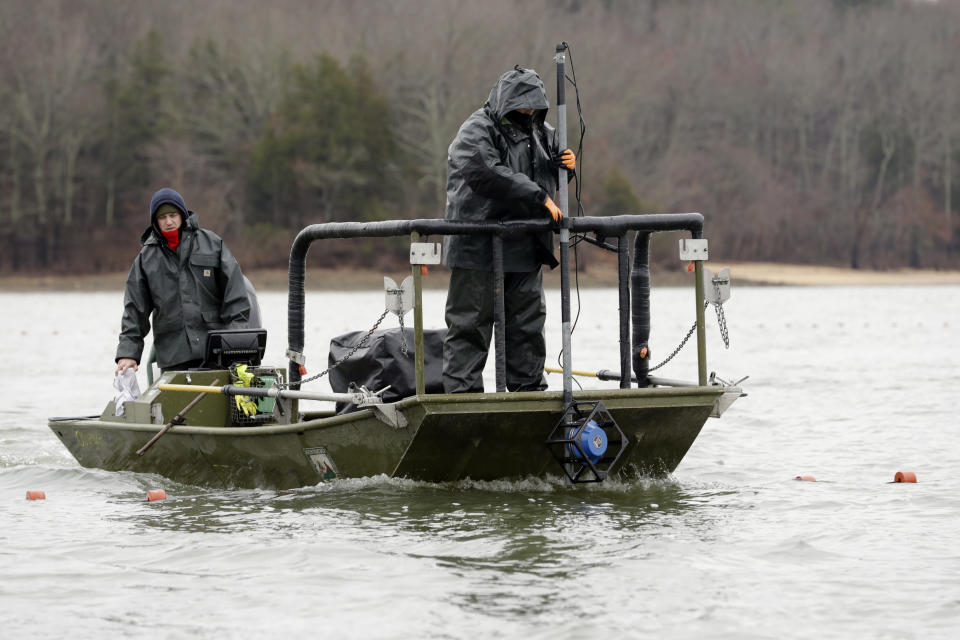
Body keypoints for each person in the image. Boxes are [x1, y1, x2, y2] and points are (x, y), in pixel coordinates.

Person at [442, 66, 576, 393]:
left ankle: (528, 394)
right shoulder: (476, 130)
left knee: (527, 327)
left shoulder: (544, 133)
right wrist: (539, 196)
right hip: (478, 248)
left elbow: (547, 181)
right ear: (505, 101)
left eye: (534, 105)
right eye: (522, 104)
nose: (528, 111)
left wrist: (566, 168)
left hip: (527, 247)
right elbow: (486, 172)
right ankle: (462, 404)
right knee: (469, 327)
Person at [115, 188, 251, 375]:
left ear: (182, 214)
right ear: (155, 221)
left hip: (216, 353)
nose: (169, 221)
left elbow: (236, 296)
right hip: (173, 357)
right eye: (162, 217)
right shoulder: (145, 259)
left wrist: (235, 345)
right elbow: (134, 310)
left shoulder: (212, 244)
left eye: (173, 215)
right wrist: (128, 353)